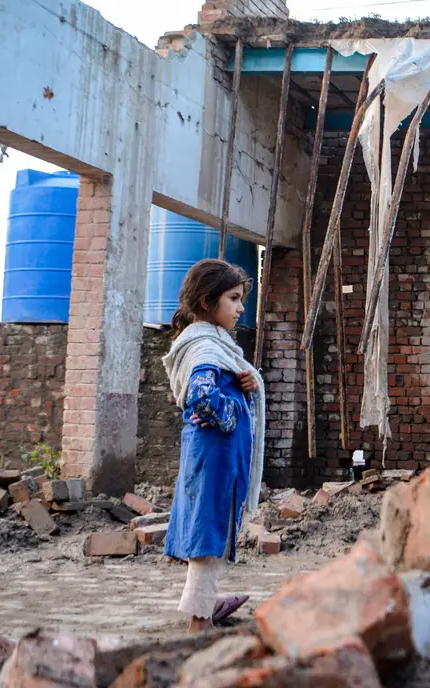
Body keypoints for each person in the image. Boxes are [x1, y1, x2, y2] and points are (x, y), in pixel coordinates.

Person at [161, 259, 265, 631]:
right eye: (233, 298)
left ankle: (204, 606)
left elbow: (216, 389)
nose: (241, 308)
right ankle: (200, 621)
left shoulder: (214, 344)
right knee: (209, 531)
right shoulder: (205, 347)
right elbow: (202, 398)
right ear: (208, 301)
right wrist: (232, 413)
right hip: (214, 455)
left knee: (213, 527)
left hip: (216, 455)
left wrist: (245, 386)